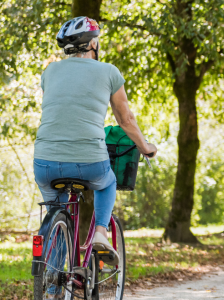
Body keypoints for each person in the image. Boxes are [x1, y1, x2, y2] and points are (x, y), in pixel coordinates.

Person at [34, 17, 157, 274]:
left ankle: (54, 279)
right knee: (107, 181)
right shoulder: (108, 71)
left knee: (56, 209)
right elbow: (125, 119)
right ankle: (100, 231)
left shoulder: (49, 72)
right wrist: (145, 147)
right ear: (92, 43)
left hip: (44, 162)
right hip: (88, 161)